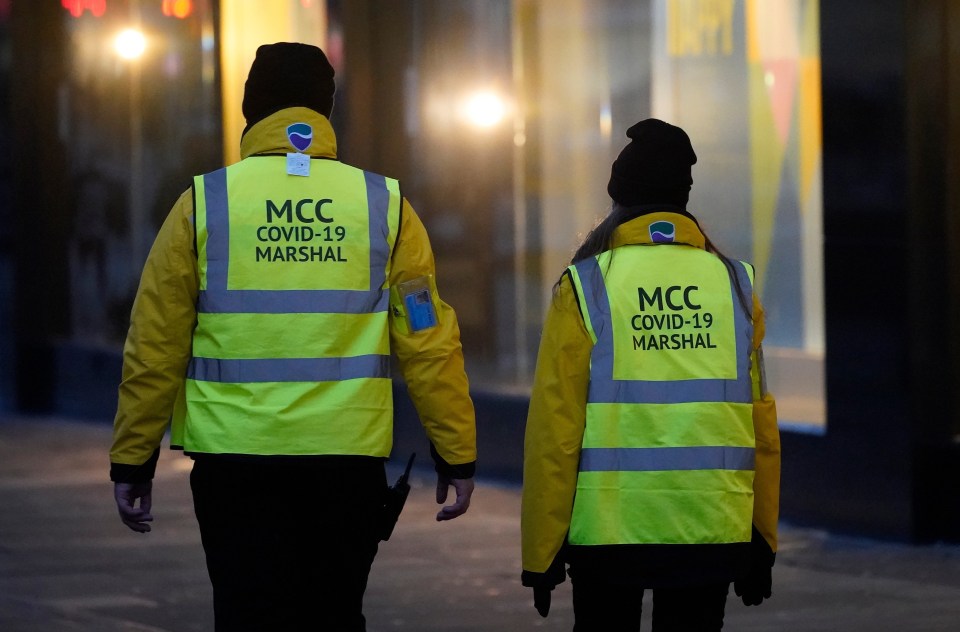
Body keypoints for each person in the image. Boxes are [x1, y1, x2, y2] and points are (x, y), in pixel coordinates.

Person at [110, 42, 477, 632]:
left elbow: (154, 343)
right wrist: (456, 450)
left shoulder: (204, 205)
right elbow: (427, 338)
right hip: (345, 463)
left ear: (251, 111)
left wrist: (133, 458)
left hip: (236, 465)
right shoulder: (384, 206)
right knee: (332, 616)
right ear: (325, 111)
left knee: (247, 616)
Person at [520, 119, 780, 631]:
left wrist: (541, 552)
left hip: (609, 534)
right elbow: (760, 427)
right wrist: (761, 538)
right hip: (711, 529)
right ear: (683, 197)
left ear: (618, 197)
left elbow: (555, 429)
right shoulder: (734, 284)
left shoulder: (588, 283)